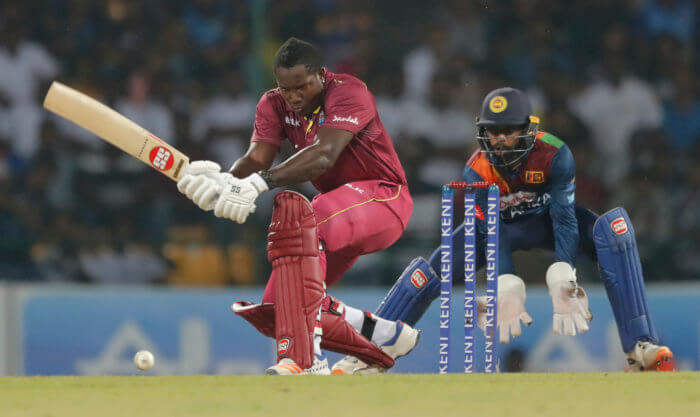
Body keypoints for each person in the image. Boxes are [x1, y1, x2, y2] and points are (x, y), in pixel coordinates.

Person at [334, 87, 675, 374]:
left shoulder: (555, 153)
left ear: (528, 128)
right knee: (428, 271)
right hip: (499, 231)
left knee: (614, 229)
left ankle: (642, 345)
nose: (498, 139)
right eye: (492, 131)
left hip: (549, 224)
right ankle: (368, 353)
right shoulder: (476, 170)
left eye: (508, 130)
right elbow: (490, 232)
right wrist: (507, 283)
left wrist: (564, 273)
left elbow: (565, 218)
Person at [176, 38, 419, 375]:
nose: (293, 97)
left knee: (303, 219)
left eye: (301, 86)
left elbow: (324, 154)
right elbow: (259, 157)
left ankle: (308, 360)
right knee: (279, 310)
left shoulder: (348, 91)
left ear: (321, 75)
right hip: (334, 215)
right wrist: (226, 181)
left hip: (384, 200)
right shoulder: (273, 104)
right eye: (285, 88)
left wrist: (259, 183)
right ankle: (384, 337)